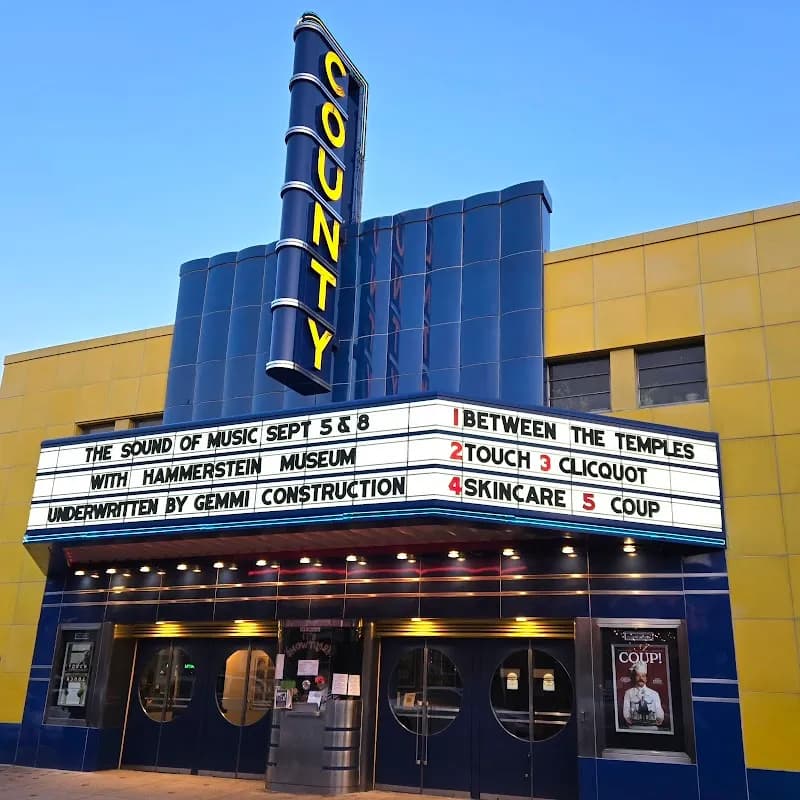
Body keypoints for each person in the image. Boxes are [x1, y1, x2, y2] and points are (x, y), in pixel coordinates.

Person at [622, 661, 665, 727]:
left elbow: (658, 708)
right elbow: (626, 708)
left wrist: (660, 718)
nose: (641, 678)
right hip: (634, 727)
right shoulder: (628, 693)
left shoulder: (654, 694)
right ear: (634, 677)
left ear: (646, 679)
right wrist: (628, 718)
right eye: (638, 675)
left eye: (643, 676)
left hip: (652, 727)